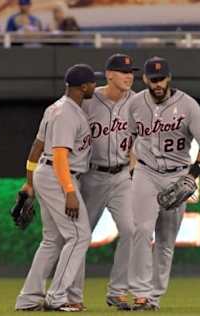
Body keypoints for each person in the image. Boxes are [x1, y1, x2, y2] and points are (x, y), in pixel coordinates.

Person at [127, 56, 200, 311]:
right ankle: (141, 293)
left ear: (169, 78)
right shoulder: (135, 104)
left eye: (161, 79)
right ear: (144, 79)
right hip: (145, 173)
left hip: (178, 174)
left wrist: (193, 174)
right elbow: (128, 139)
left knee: (165, 242)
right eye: (153, 79)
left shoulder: (187, 105)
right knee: (142, 231)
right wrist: (131, 166)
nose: (158, 84)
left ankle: (153, 298)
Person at [14, 64, 97, 312]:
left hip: (46, 173)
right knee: (80, 235)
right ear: (83, 87)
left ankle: (28, 298)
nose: (95, 86)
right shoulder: (67, 114)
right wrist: (69, 191)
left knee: (52, 240)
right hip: (59, 176)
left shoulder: (55, 108)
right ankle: (57, 297)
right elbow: (60, 156)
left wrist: (30, 182)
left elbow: (36, 147)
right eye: (92, 83)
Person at [67, 54, 139, 311]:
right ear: (109, 74)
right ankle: (73, 296)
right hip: (91, 176)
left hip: (121, 176)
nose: (129, 75)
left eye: (131, 71)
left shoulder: (137, 101)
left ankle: (117, 292)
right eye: (123, 71)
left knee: (132, 230)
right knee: (80, 237)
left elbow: (140, 139)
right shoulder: (88, 100)